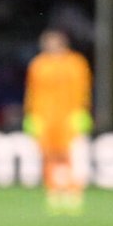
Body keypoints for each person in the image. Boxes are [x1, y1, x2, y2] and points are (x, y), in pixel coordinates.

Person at [23, 28, 92, 214]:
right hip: (45, 117)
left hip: (69, 116)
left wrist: (82, 112)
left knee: (73, 155)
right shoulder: (38, 65)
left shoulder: (76, 63)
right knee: (49, 156)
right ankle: (53, 192)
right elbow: (32, 92)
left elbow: (83, 89)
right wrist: (31, 115)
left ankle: (74, 192)